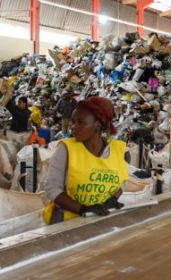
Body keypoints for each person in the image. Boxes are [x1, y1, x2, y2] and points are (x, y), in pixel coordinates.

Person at [43, 96, 129, 225]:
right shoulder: (66, 149)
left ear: (98, 124)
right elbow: (52, 188)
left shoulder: (118, 150)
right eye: (73, 122)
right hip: (67, 223)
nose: (73, 127)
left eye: (80, 122)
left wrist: (114, 198)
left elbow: (122, 181)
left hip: (101, 221)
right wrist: (82, 209)